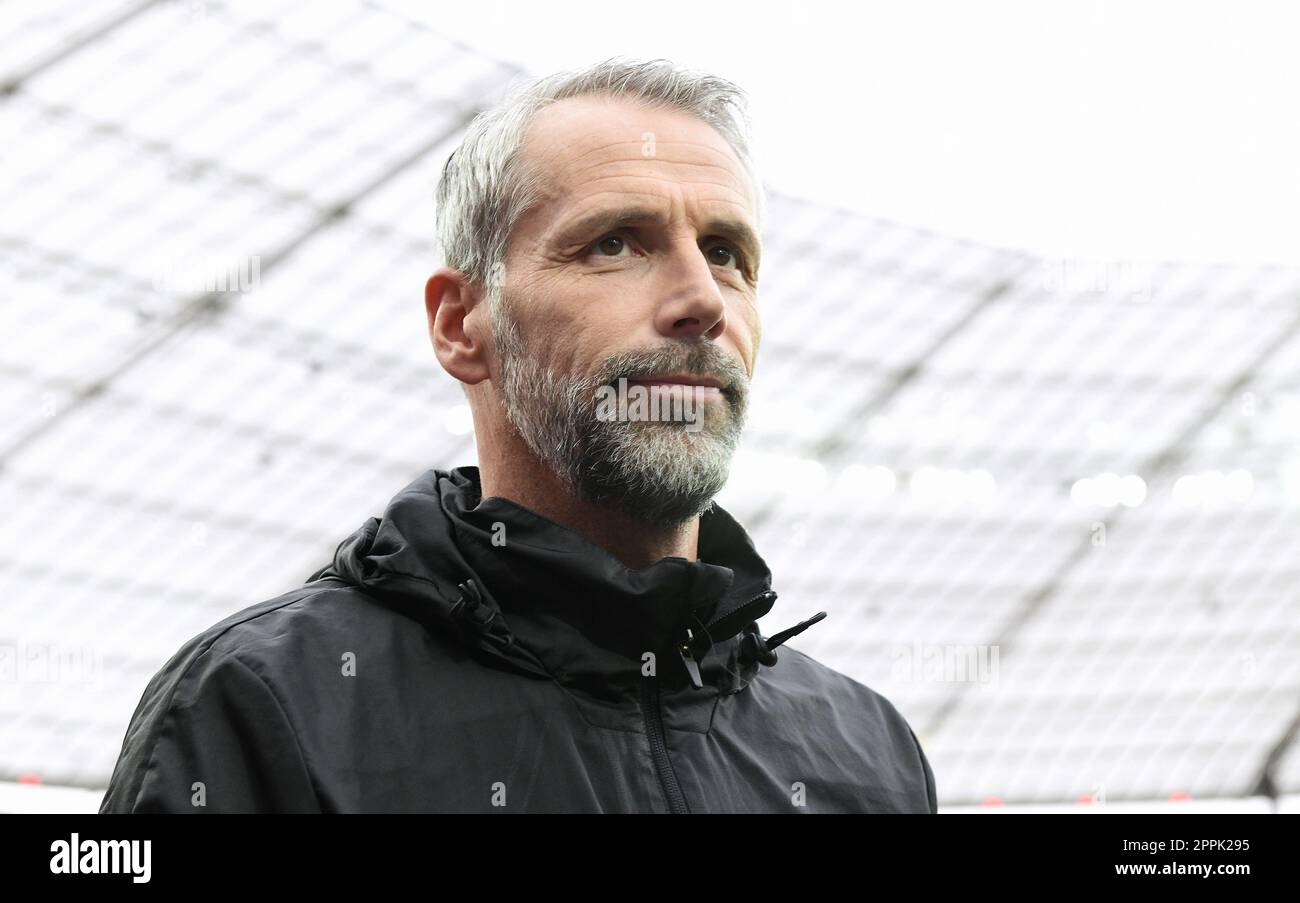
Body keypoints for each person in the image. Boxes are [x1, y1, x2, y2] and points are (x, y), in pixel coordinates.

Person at [99, 57, 937, 814]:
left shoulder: (870, 753)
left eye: (725, 252)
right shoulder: (263, 706)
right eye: (616, 244)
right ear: (462, 324)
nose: (703, 300)